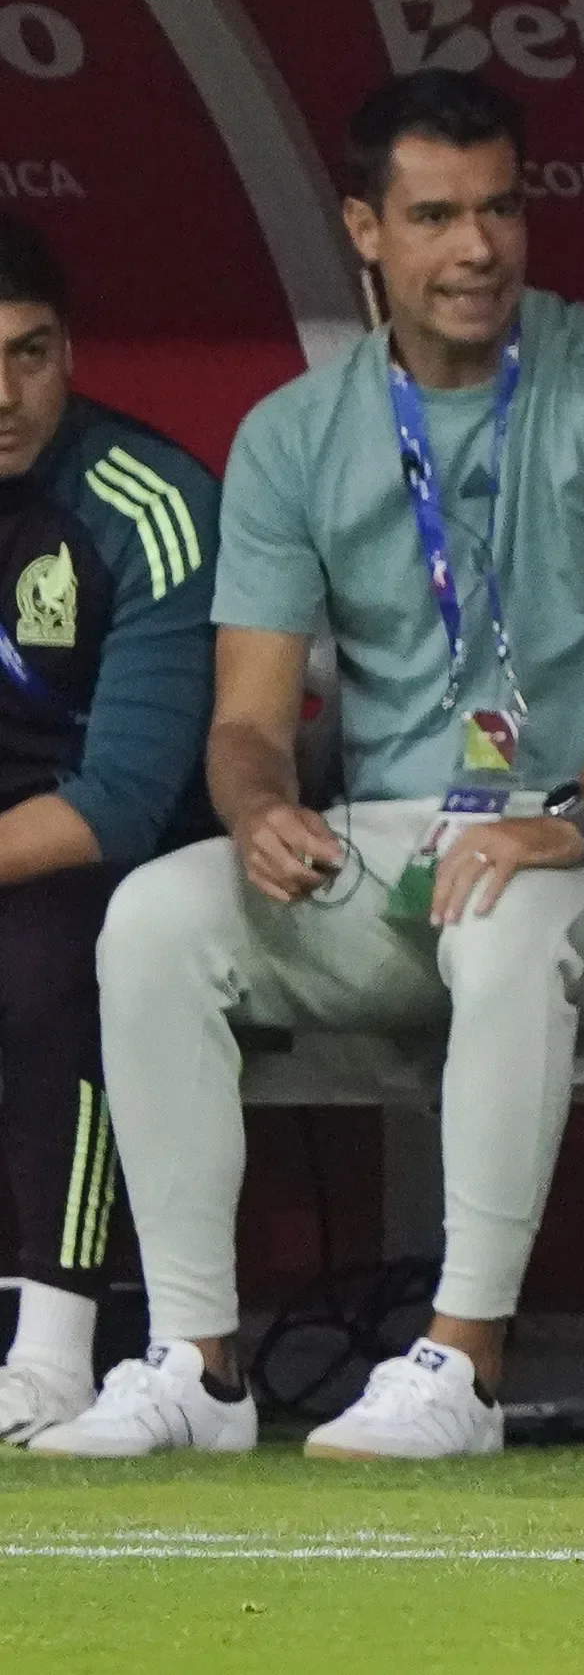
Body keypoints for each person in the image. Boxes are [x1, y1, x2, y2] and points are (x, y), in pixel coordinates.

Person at [33, 70, 584, 1463]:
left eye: (499, 209)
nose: (476, 249)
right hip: (397, 840)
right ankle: (195, 1360)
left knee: (500, 916)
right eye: (435, 216)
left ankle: (464, 1364)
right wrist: (259, 811)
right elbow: (249, 717)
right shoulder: (295, 432)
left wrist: (579, 808)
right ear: (365, 228)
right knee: (155, 918)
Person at [0, 218, 222, 1446]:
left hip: (118, 864)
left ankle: (51, 1350)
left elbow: (123, 799)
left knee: (49, 960)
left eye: (30, 355)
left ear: (70, 352)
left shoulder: (151, 501)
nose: (3, 395)